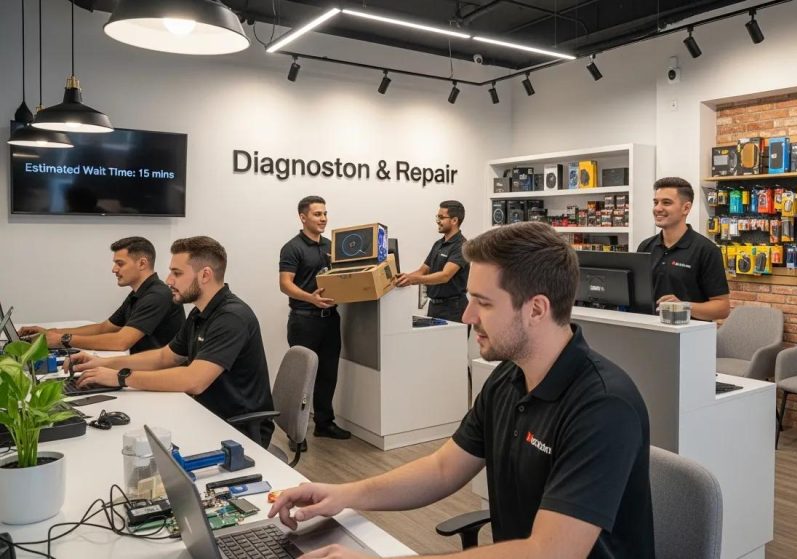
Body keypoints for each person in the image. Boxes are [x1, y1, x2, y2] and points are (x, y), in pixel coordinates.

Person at [267, 222, 654, 559]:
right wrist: (345, 494)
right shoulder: (508, 379)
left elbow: (548, 553)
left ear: (536, 309)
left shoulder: (603, 406)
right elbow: (443, 469)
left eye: (483, 303)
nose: (468, 316)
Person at [70, 236, 276, 447]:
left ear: (205, 275)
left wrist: (121, 378)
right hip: (203, 414)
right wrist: (102, 363)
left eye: (177, 273)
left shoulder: (231, 317)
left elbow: (194, 381)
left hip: (236, 430)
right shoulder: (199, 313)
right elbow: (164, 357)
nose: (169, 280)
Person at [19, 236, 184, 353]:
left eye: (120, 264)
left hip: (162, 375)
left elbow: (121, 342)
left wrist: (63, 339)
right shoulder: (139, 293)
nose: (114, 269)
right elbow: (104, 328)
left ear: (142, 263)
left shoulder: (158, 295)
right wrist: (50, 333)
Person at [279, 196, 349, 440]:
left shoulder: (331, 246)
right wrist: (311, 298)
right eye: (318, 214)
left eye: (325, 213)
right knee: (302, 377)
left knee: (328, 374)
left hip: (330, 319)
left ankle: (324, 424)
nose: (323, 218)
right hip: (304, 320)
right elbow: (285, 284)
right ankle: (294, 434)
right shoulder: (292, 247)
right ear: (303, 217)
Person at [637, 177, 730, 321]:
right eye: (656, 202)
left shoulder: (707, 250)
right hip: (649, 329)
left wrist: (684, 306)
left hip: (688, 333)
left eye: (666, 203)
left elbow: (722, 308)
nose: (657, 208)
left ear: (686, 208)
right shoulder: (645, 246)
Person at [395, 200, 470, 323]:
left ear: (454, 220)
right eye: (437, 217)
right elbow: (422, 271)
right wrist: (403, 278)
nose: (438, 221)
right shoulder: (438, 244)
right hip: (434, 307)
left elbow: (445, 276)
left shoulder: (461, 246)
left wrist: (413, 280)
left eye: (441, 217)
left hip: (453, 309)